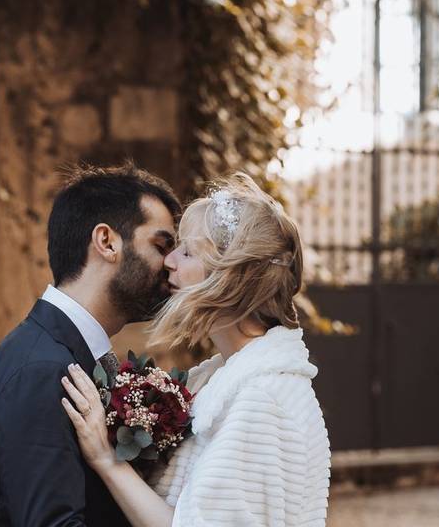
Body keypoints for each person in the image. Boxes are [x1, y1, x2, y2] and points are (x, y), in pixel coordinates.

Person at [61, 173, 331, 527]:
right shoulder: (225, 378)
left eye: (187, 251)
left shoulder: (262, 400)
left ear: (229, 276)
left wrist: (108, 462)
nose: (169, 261)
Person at [0, 163, 180, 526]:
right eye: (161, 245)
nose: (171, 265)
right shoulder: (42, 369)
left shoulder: (61, 355)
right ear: (107, 242)